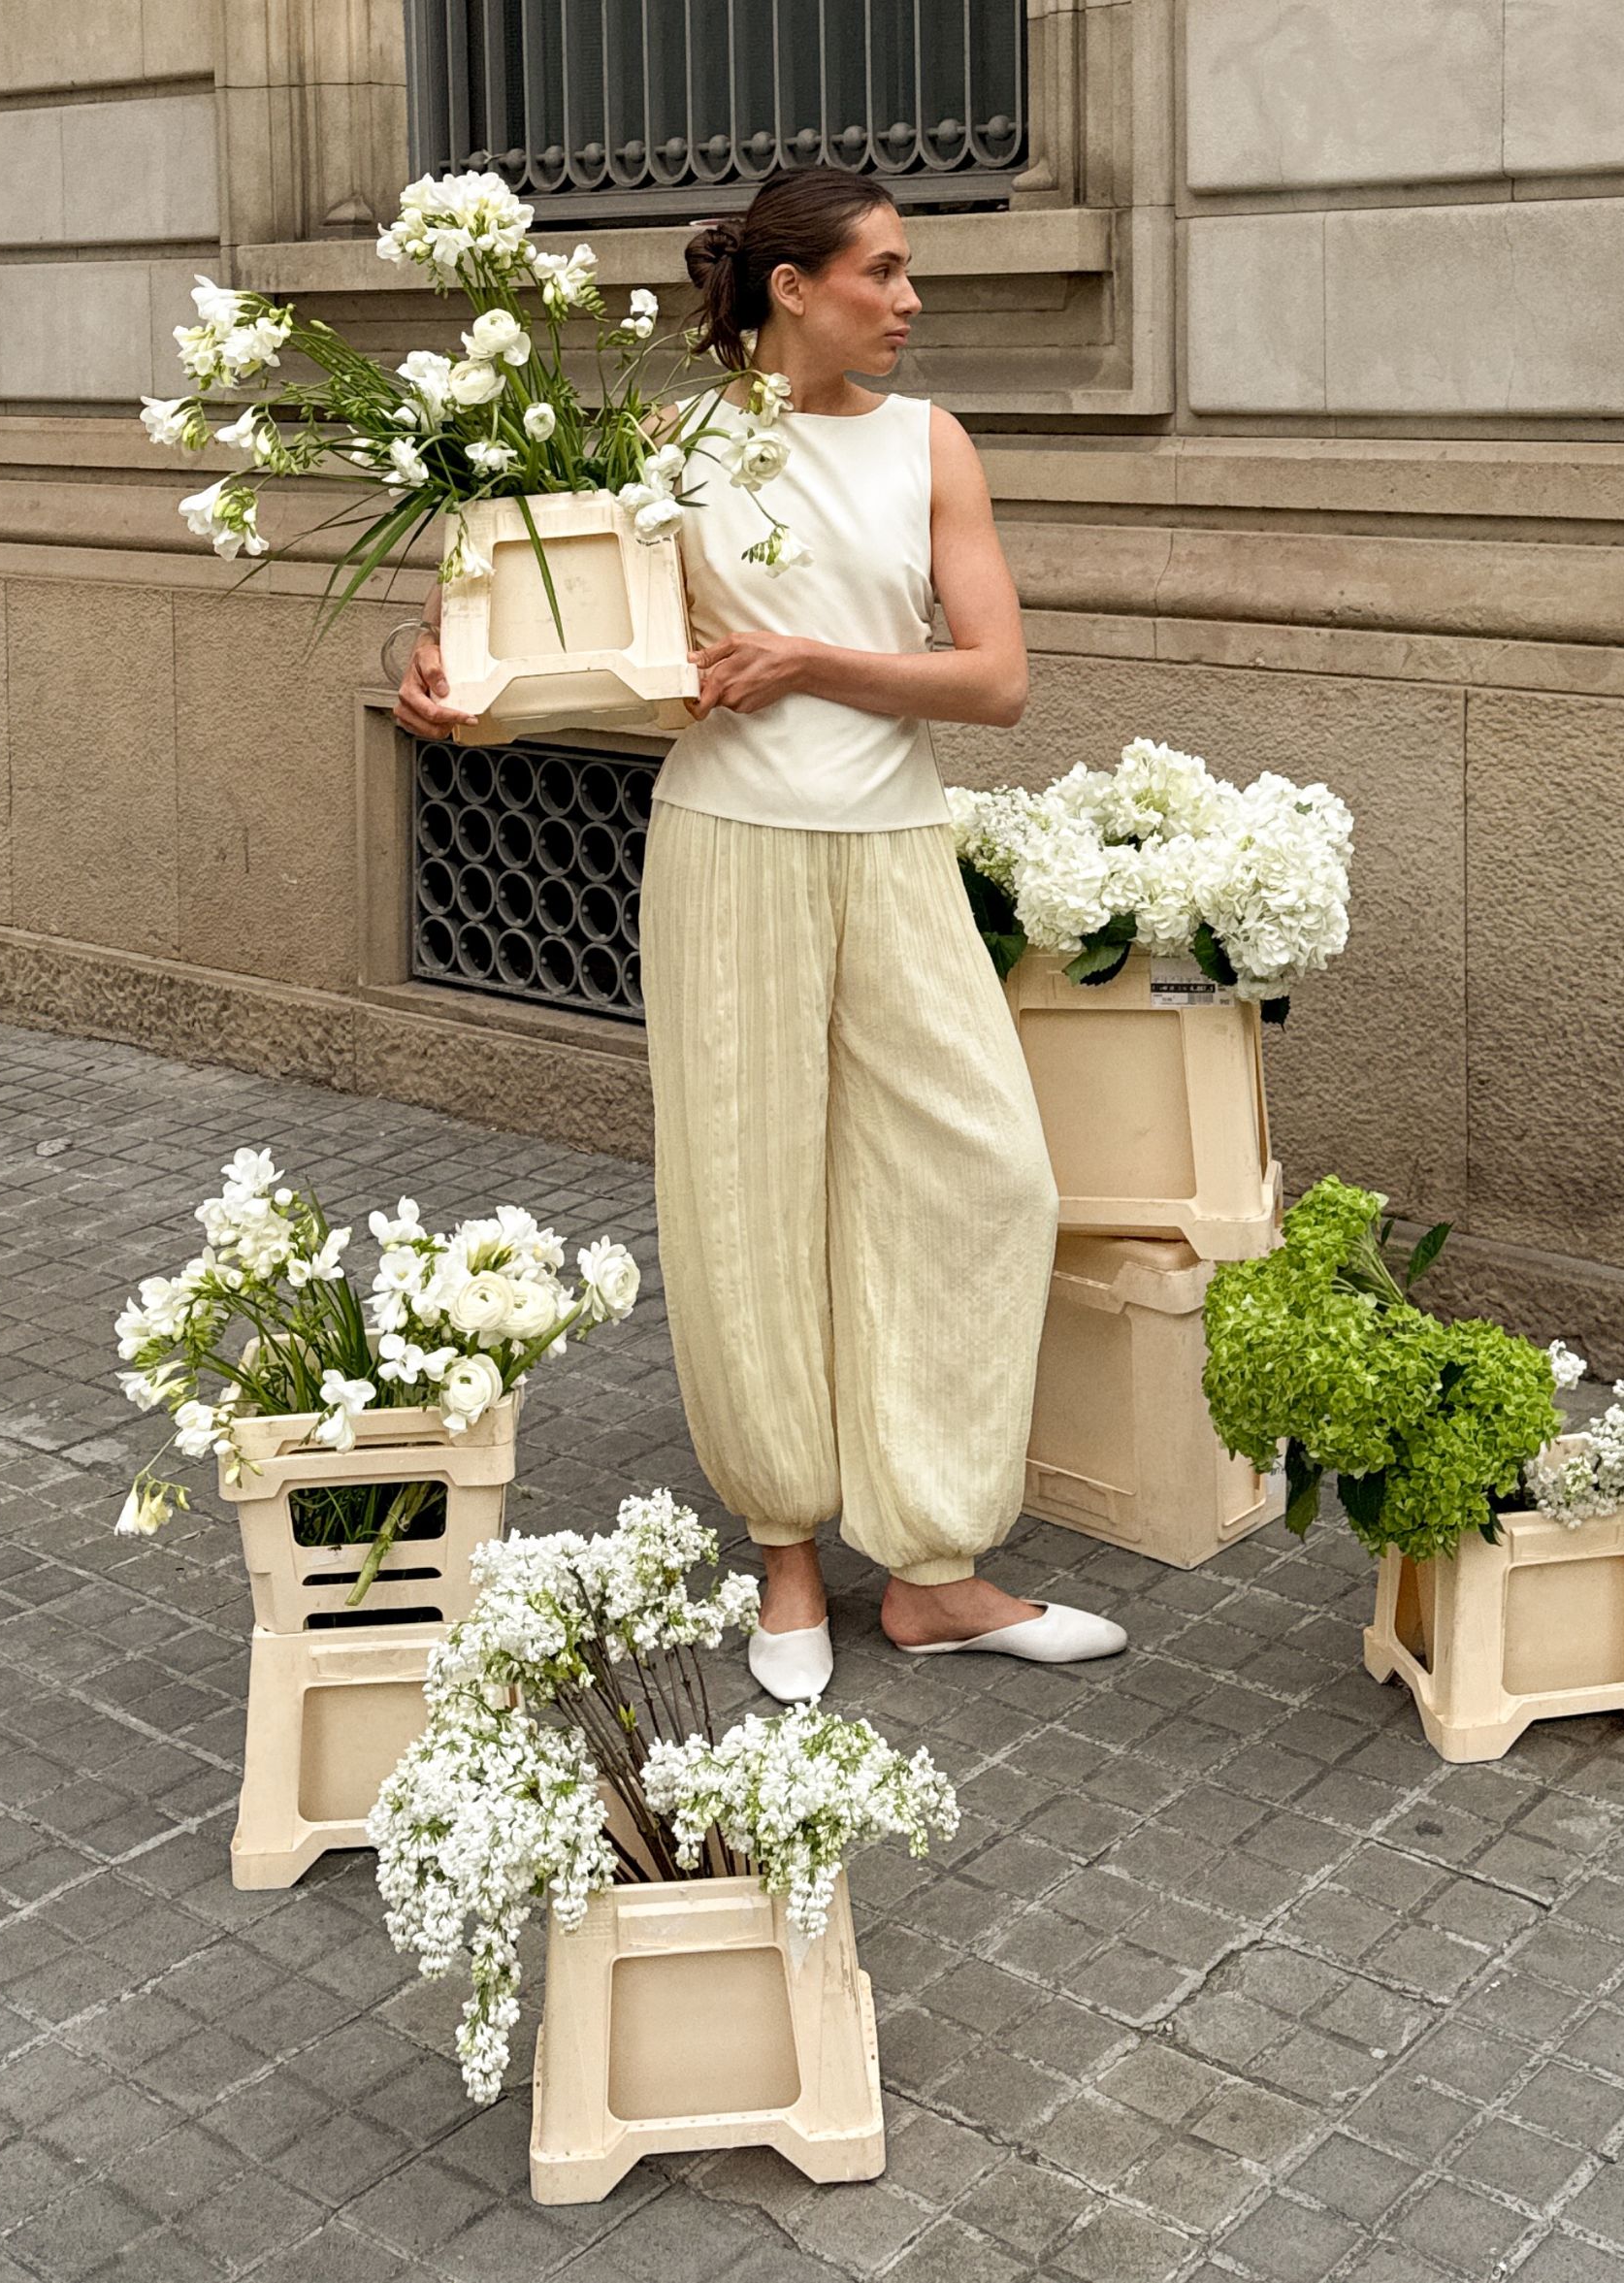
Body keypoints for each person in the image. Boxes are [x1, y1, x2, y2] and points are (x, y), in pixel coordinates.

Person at [395, 166, 1126, 1700]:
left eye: (910, 272)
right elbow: (585, 641)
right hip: (728, 851)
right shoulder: (678, 448)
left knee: (988, 1173)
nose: (912, 300)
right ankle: (788, 1552)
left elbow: (996, 680)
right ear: (793, 287)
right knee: (749, 1194)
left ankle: (932, 1565)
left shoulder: (934, 446)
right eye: (884, 270)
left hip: (898, 847)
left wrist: (815, 662)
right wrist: (457, 687)